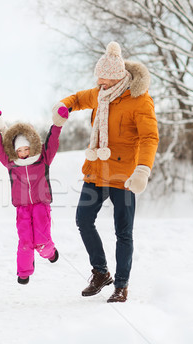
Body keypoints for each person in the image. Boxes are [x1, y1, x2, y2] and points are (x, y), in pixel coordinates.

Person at [54, 41, 159, 303]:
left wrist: (143, 169)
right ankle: (101, 273)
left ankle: (121, 285)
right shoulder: (100, 93)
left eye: (103, 81)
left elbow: (149, 138)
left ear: (117, 78)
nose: (99, 85)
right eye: (97, 81)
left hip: (124, 176)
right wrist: (62, 108)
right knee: (83, 220)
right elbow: (77, 98)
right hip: (96, 172)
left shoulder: (139, 100)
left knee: (123, 231)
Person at [0, 107, 68, 284]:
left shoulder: (43, 159)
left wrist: (57, 125)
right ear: (15, 152)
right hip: (22, 208)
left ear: (32, 147)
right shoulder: (11, 164)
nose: (23, 153)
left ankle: (50, 253)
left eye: (26, 149)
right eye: (20, 151)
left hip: (41, 205)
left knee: (42, 241)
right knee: (25, 240)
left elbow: (52, 141)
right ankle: (24, 271)